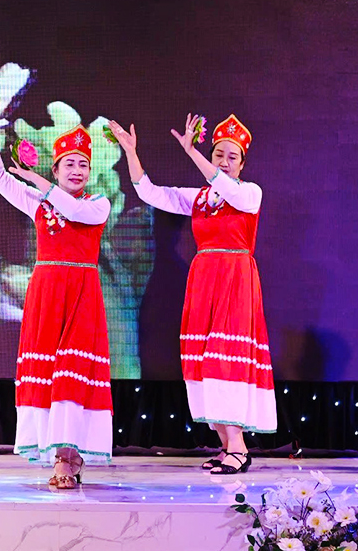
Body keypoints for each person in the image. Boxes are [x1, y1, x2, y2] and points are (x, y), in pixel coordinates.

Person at [109, 114, 274, 475]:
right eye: (218, 154)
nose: (224, 161)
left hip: (234, 279)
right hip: (204, 280)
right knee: (202, 362)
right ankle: (225, 444)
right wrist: (131, 152)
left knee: (224, 359)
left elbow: (226, 188)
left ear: (243, 162)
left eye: (232, 156)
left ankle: (240, 447)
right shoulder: (199, 199)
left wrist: (191, 152)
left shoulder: (249, 194)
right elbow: (149, 192)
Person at [0, 93, 112, 488]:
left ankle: (69, 457)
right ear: (56, 168)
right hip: (47, 292)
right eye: (69, 163)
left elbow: (75, 212)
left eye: (83, 164)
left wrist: (38, 182)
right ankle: (59, 453)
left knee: (73, 371)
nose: (77, 169)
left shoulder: (96, 203)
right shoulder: (40, 203)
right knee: (50, 373)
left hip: (81, 292)